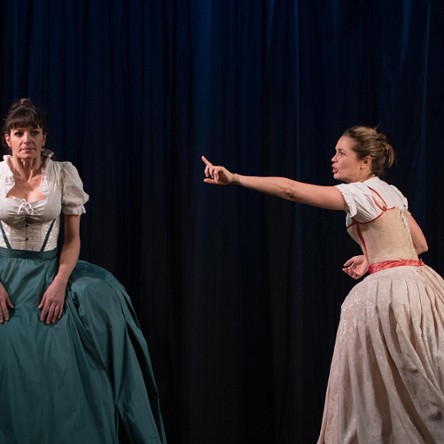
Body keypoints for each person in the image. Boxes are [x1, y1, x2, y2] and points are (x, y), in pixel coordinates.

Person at [202, 126, 444, 443]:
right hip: (423, 286)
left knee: (388, 385)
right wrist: (372, 258)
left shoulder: (360, 193)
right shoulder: (392, 193)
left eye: (341, 153)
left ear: (365, 162)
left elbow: (290, 190)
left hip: (390, 295)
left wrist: (235, 178)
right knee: (420, 375)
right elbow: (419, 245)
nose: (333, 159)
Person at [0, 98, 167, 444]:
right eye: (19, 132)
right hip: (4, 275)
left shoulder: (62, 174)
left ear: (44, 137)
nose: (27, 139)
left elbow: (72, 239)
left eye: (34, 132)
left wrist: (60, 282)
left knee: (98, 308)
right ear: (8, 139)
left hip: (49, 272)